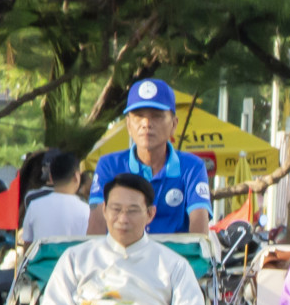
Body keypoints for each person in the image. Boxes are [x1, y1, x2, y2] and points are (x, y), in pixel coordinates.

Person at [28, 172, 213, 305]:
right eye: (116, 210)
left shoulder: (173, 264)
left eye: (133, 211)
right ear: (104, 210)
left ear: (150, 214)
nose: (123, 219)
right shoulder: (75, 258)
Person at [87, 80, 211, 236]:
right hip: (122, 258)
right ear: (128, 125)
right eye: (138, 116)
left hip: (175, 259)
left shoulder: (192, 166)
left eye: (157, 116)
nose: (146, 123)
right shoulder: (109, 165)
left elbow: (199, 228)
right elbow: (97, 223)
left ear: (174, 124)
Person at [19, 149, 89, 244]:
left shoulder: (34, 206)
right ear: (76, 177)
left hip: (42, 258)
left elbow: (27, 248)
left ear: (51, 176)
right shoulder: (85, 210)